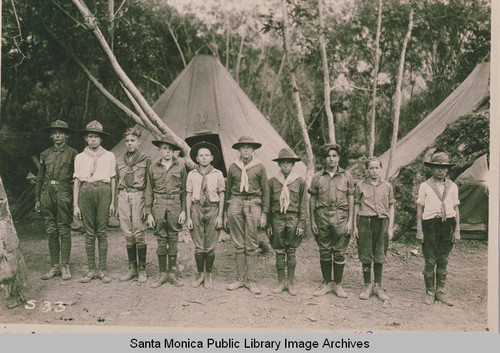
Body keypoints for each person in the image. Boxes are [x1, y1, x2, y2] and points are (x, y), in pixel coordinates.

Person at [224, 136, 269, 295]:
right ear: (238, 150)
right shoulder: (233, 167)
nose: (245, 150)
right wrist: (225, 213)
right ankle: (240, 279)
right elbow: (228, 190)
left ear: (253, 150)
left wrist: (264, 213)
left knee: (251, 243)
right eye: (243, 148)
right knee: (238, 243)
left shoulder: (260, 167)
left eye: (249, 147)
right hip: (235, 203)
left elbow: (265, 191)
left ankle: (251, 280)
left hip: (253, 204)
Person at [73, 120, 116, 284]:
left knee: (102, 231)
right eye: (90, 137)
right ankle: (91, 269)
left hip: (104, 191)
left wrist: (112, 202)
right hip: (86, 191)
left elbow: (113, 179)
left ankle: (102, 269)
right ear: (86, 139)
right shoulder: (80, 157)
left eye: (96, 137)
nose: (93, 140)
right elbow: (77, 181)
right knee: (89, 232)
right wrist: (76, 205)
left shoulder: (109, 156)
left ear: (101, 139)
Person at [309, 144, 354, 298]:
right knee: (325, 251)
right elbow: (312, 199)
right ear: (324, 158)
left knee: (340, 252)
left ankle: (338, 285)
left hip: (341, 217)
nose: (331, 159)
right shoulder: (317, 177)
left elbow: (351, 198)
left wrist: (350, 222)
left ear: (338, 158)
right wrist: (312, 221)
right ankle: (328, 283)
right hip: (322, 217)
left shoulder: (347, 176)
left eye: (334, 155)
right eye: (328, 156)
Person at [35, 120, 78, 280]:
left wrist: (75, 200)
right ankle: (55, 266)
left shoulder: (73, 153)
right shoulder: (45, 154)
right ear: (51, 135)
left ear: (66, 135)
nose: (58, 135)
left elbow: (77, 178)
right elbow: (40, 177)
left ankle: (65, 266)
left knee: (64, 229)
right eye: (55, 132)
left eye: (61, 132)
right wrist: (37, 198)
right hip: (47, 194)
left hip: (64, 192)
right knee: (51, 230)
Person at [416, 152, 460, 306]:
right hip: (430, 225)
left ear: (447, 170)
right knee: (430, 260)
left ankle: (440, 291)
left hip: (447, 225)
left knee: (443, 259)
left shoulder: (453, 186)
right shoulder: (425, 186)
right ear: (432, 169)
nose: (440, 171)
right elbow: (420, 209)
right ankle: (429, 292)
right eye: (437, 167)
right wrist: (419, 230)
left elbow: (455, 208)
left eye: (443, 168)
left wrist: (457, 230)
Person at [145, 135, 187, 289]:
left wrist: (183, 211)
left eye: (170, 149)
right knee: (161, 238)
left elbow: (184, 191)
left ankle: (173, 273)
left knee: (173, 237)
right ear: (159, 150)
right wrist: (149, 212)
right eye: (164, 149)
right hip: (159, 204)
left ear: (174, 152)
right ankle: (162, 273)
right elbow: (149, 190)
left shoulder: (180, 167)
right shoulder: (153, 167)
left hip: (175, 204)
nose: (167, 152)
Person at [353, 156, 394, 301]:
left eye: (377, 168)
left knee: (379, 254)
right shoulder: (360, 186)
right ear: (367, 170)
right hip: (365, 222)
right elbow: (356, 205)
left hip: (382, 222)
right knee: (365, 254)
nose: (374, 171)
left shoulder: (387, 186)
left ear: (381, 169)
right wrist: (354, 226)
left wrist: (390, 227)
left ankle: (378, 285)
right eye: (371, 168)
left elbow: (391, 205)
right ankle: (367, 285)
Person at [186, 141, 225, 289]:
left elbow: (222, 194)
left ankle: (208, 274)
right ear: (196, 158)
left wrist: (220, 216)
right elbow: (188, 195)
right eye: (201, 155)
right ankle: (200, 274)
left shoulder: (218, 174)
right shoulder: (192, 174)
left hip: (213, 209)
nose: (204, 158)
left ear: (212, 158)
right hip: (196, 208)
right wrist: (189, 217)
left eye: (207, 155)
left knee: (210, 246)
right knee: (198, 245)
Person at [267, 148, 306, 296]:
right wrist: (269, 224)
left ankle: (291, 283)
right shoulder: (272, 182)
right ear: (279, 165)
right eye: (282, 163)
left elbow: (303, 203)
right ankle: (281, 282)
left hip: (293, 218)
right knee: (279, 250)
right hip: (277, 219)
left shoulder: (300, 181)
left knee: (291, 250)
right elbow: (269, 204)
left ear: (292, 165)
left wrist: (301, 224)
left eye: (288, 163)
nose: (285, 166)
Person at [115, 127, 151, 283]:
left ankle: (142, 268)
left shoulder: (146, 160)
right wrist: (117, 203)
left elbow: (149, 185)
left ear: (139, 142)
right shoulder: (120, 160)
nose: (129, 143)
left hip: (138, 195)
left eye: (132, 141)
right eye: (127, 141)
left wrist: (147, 206)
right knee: (128, 234)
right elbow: (116, 182)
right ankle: (132, 268)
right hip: (123, 196)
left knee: (139, 233)